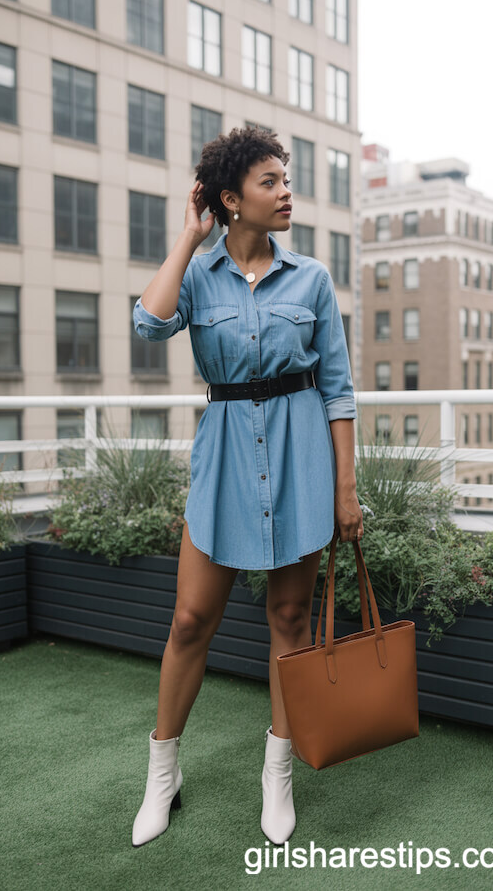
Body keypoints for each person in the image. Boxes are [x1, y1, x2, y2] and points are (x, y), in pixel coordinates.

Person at [130, 126, 363, 848]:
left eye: (284, 178)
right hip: (227, 458)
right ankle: (162, 776)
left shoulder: (313, 280)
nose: (286, 190)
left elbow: (339, 391)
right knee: (189, 621)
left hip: (301, 462)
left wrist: (345, 490)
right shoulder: (199, 275)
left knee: (289, 625)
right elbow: (148, 324)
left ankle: (277, 776)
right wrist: (188, 238)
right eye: (269, 181)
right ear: (232, 200)